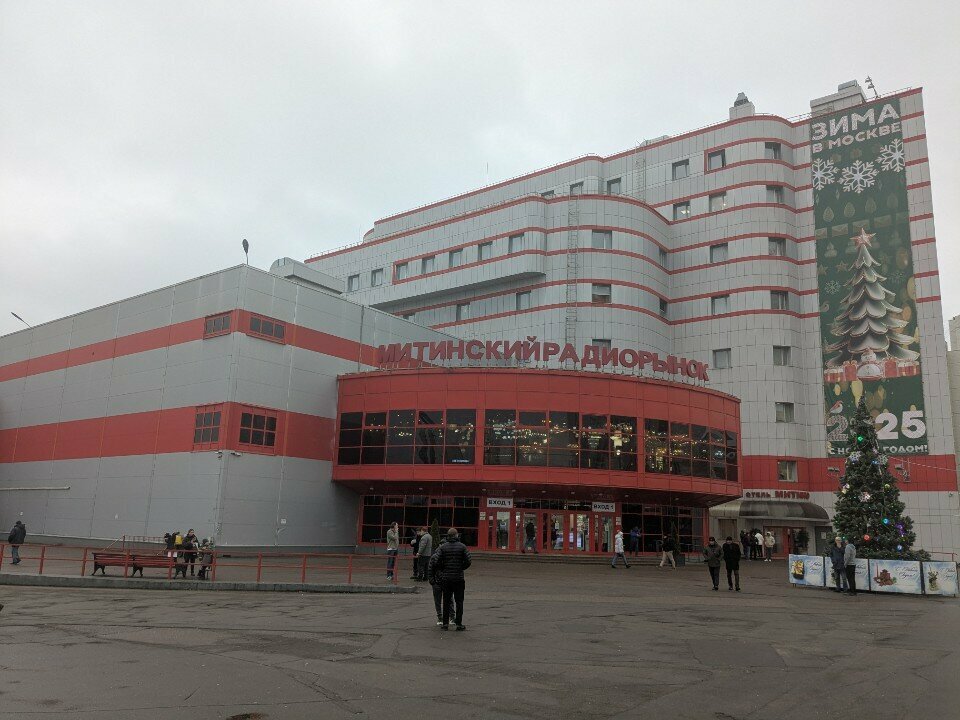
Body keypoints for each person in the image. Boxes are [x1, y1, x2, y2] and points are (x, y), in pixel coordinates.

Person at [428, 528, 472, 630]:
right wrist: (461, 567)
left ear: (448, 536)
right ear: (456, 535)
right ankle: (459, 624)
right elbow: (469, 561)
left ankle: (445, 624)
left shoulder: (443, 547)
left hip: (446, 578)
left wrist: (443, 568)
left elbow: (436, 561)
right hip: (458, 578)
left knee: (446, 601)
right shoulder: (462, 546)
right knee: (459, 602)